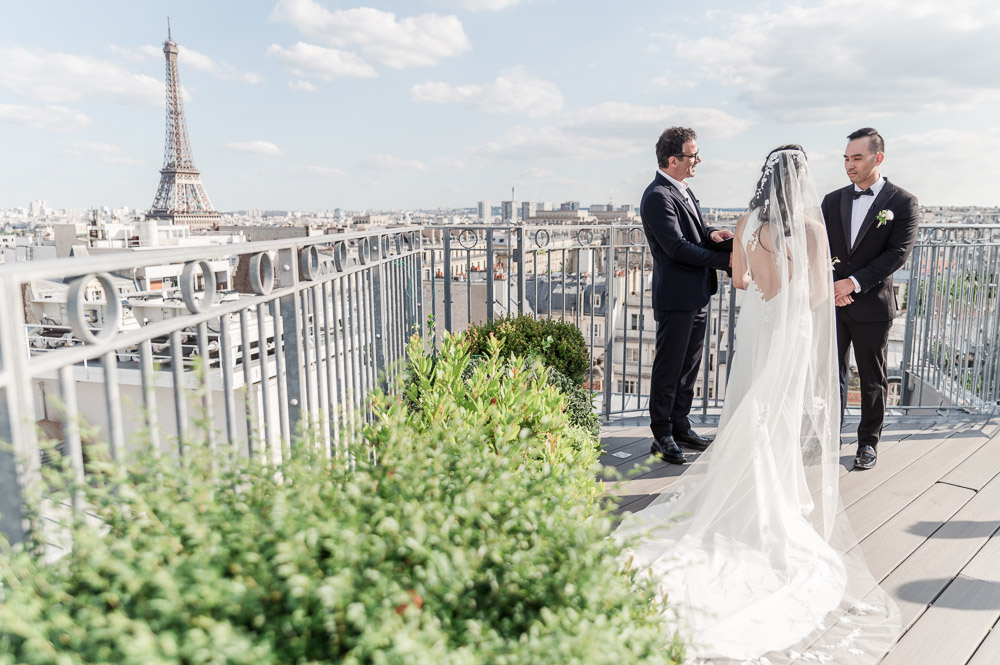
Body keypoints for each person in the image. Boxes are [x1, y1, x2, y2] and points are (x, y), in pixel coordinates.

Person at [616, 146, 901, 664]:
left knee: (748, 403)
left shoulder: (748, 221)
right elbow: (816, 293)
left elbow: (742, 281)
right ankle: (775, 495)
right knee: (778, 413)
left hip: (756, 327)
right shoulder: (813, 231)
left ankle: (742, 485)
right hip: (788, 330)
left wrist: (758, 270)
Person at [821, 128, 920, 470]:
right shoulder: (832, 200)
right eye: (846, 158)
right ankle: (828, 435)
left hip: (872, 304)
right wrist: (835, 286)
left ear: (878, 158)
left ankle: (868, 443)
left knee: (871, 378)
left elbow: (897, 254)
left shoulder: (902, 202)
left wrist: (853, 283)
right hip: (833, 301)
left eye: (857, 158)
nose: (849, 165)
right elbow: (823, 248)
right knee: (829, 374)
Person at [640, 127, 732, 465]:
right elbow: (676, 248)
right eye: (694, 155)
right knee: (669, 368)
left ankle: (681, 425)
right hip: (677, 297)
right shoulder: (657, 196)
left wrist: (713, 233)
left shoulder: (681, 190)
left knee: (689, 367)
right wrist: (726, 261)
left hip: (696, 294)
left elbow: (693, 233)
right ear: (673, 159)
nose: (699, 160)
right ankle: (661, 433)